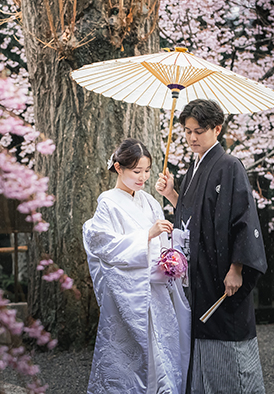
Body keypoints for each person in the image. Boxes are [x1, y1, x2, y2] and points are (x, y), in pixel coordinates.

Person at [155, 99, 268, 394]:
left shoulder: (229, 166)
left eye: (199, 131)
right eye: (188, 131)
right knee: (200, 335)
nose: (192, 137)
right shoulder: (193, 168)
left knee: (226, 336)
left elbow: (243, 218)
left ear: (217, 129)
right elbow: (194, 216)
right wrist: (171, 194)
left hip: (221, 270)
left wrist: (237, 267)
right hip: (199, 270)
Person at [83, 138, 191, 394]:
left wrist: (170, 256)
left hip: (156, 288)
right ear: (118, 168)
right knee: (131, 356)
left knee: (162, 350)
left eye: (146, 171)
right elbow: (102, 244)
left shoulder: (151, 202)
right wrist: (147, 235)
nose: (142, 177)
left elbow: (163, 242)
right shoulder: (108, 203)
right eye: (136, 171)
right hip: (130, 291)